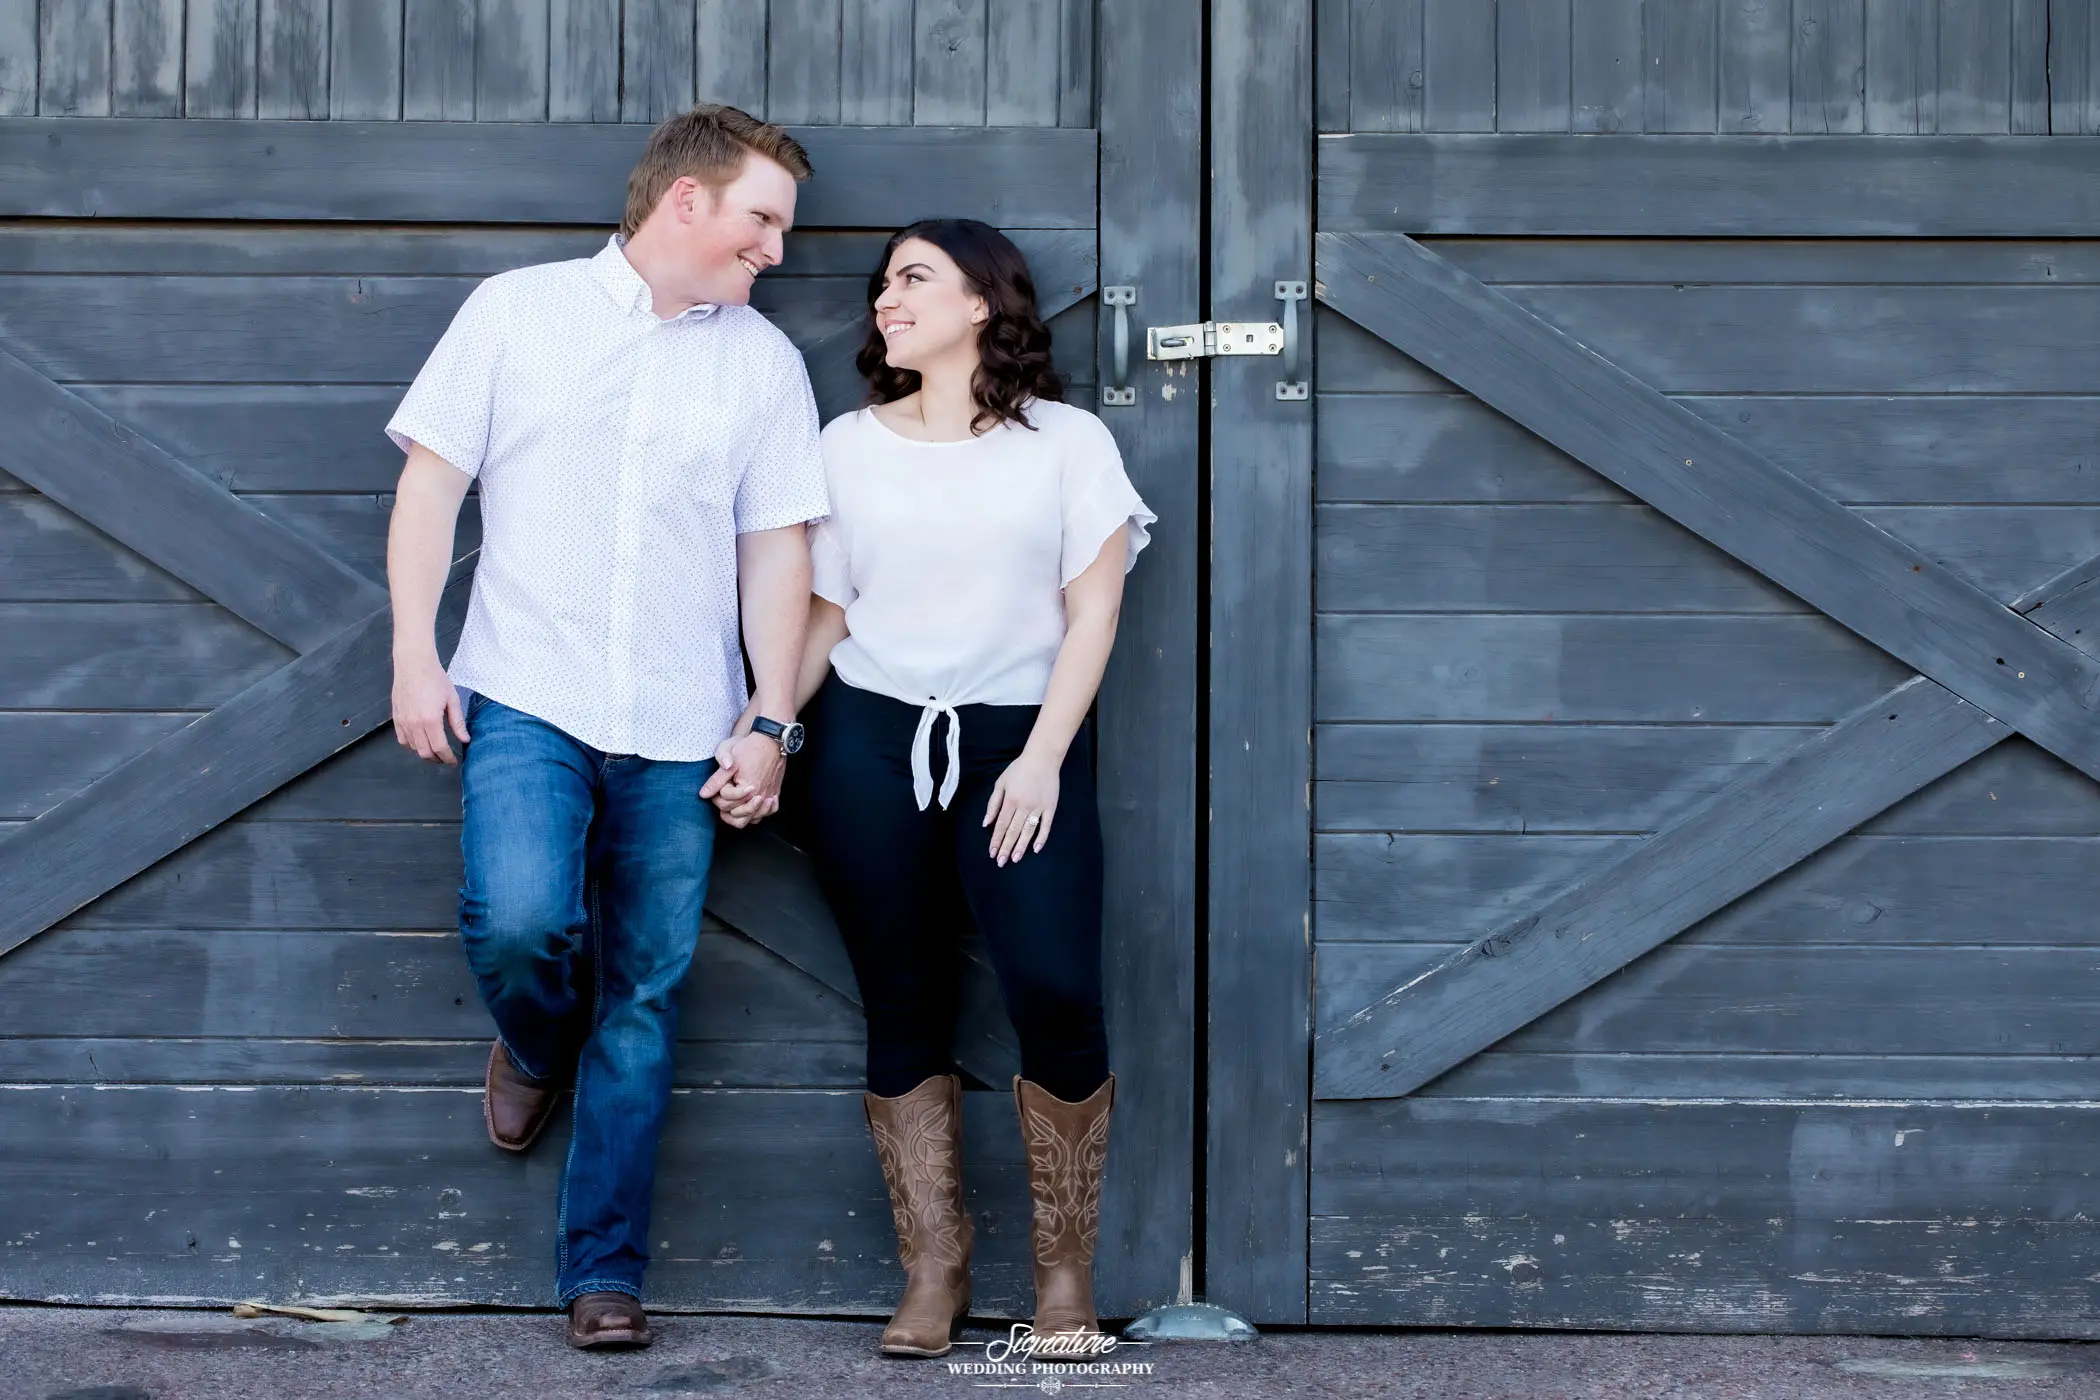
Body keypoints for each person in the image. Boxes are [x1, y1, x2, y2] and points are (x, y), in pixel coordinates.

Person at [383, 104, 827, 1351]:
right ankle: (533, 1040)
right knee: (526, 925)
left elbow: (778, 548)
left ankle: (604, 1274)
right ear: (688, 202)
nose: (778, 252)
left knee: (646, 994)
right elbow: (433, 485)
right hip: (527, 689)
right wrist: (416, 654)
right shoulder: (516, 312)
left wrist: (768, 720)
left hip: (686, 721)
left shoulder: (762, 362)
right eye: (763, 220)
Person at [751, 218, 1153, 1358]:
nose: (888, 297)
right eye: (884, 283)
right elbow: (825, 613)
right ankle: (936, 1269)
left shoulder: (1065, 444)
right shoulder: (843, 445)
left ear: (985, 301)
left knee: (1055, 985)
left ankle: (1064, 1274)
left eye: (915, 278)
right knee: (902, 995)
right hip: (870, 742)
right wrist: (772, 725)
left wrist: (1041, 757)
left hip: (1021, 742)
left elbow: (1097, 612)